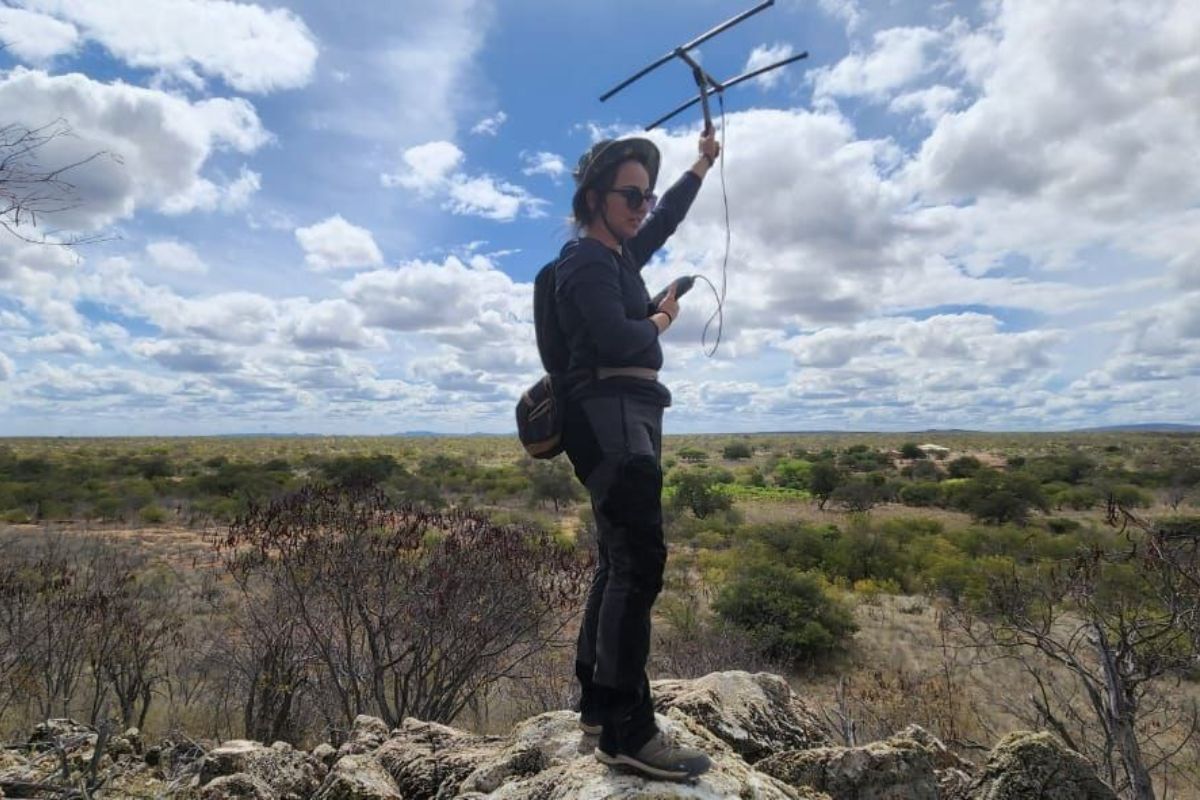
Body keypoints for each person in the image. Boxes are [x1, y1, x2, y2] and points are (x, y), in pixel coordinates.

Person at [555, 129, 720, 782]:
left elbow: (673, 213)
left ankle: (599, 705)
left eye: (646, 197)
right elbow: (618, 338)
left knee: (618, 563)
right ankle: (628, 731)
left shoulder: (620, 258)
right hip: (611, 422)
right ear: (594, 197)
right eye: (630, 195)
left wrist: (701, 166)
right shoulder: (586, 262)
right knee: (639, 565)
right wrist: (657, 321)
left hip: (628, 420)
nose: (643, 206)